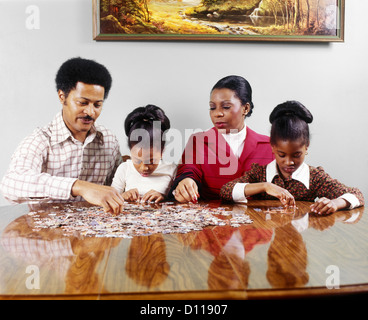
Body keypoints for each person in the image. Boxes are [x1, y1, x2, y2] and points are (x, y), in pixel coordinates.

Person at [0, 57, 125, 214]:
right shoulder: (40, 140)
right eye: (82, 103)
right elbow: (11, 184)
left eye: (97, 105)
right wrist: (78, 186)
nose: (90, 112)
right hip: (48, 235)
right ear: (62, 97)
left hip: (98, 233)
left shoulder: (109, 140)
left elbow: (120, 184)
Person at [220, 100, 365, 215]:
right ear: (272, 147)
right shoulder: (260, 174)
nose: (289, 162)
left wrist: (335, 203)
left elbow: (357, 195)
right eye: (281, 155)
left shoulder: (314, 178)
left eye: (297, 155)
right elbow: (226, 191)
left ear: (306, 146)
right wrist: (266, 186)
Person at [170, 75, 274, 203]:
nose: (217, 113)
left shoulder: (269, 145)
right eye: (212, 107)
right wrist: (186, 181)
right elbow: (188, 170)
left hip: (257, 219)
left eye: (226, 107)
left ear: (245, 108)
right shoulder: (198, 140)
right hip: (211, 218)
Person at [111, 105, 177, 203]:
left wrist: (164, 197)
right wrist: (123, 196)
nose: (144, 168)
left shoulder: (172, 169)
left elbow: (178, 201)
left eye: (151, 161)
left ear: (162, 152)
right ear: (130, 151)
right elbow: (111, 197)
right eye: (137, 161)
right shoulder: (124, 168)